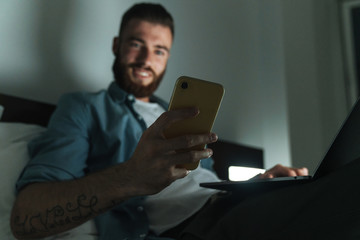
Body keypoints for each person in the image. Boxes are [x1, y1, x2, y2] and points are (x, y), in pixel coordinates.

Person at [10, 3, 310, 240]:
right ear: (116, 45)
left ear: (167, 59)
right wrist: (132, 176)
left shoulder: (180, 114)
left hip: (227, 207)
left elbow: (203, 187)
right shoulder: (84, 107)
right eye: (136, 44)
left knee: (309, 193)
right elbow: (26, 216)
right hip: (194, 228)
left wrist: (255, 186)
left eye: (159, 50)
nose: (145, 59)